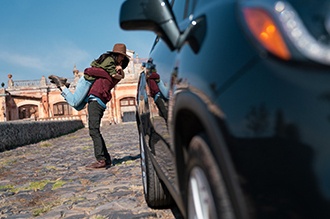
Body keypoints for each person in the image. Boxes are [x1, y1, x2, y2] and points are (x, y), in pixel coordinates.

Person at [49, 43, 130, 169]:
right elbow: (90, 71)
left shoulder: (111, 74)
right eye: (119, 57)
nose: (120, 61)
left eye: (122, 59)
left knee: (93, 129)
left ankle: (101, 160)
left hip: (96, 100)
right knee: (78, 107)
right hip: (94, 97)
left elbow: (89, 71)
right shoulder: (109, 69)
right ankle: (106, 159)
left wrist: (114, 71)